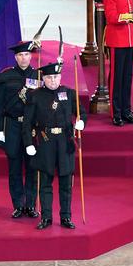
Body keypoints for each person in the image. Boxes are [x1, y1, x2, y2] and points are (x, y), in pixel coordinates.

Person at [22, 61, 85, 230]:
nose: (53, 80)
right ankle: (47, 217)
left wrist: (81, 122)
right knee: (45, 182)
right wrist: (29, 143)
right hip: (45, 141)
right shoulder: (35, 96)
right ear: (44, 78)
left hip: (65, 142)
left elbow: (81, 111)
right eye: (49, 77)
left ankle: (66, 217)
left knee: (66, 183)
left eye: (56, 77)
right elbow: (27, 123)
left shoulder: (69, 93)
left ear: (60, 77)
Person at [0, 41, 39, 219]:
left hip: (33, 127)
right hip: (12, 125)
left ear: (31, 56)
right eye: (20, 55)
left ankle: (31, 205)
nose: (23, 58)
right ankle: (18, 205)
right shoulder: (6, 77)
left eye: (26, 55)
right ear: (15, 57)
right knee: (14, 167)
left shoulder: (39, 75)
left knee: (33, 167)